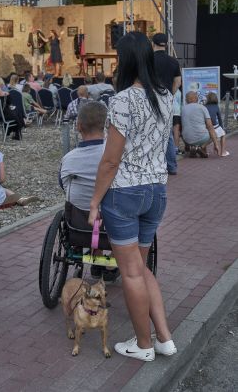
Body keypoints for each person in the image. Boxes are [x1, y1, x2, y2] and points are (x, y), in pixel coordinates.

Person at [88, 32, 176, 362]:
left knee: (132, 273)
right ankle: (163, 338)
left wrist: (95, 201)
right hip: (157, 191)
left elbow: (111, 160)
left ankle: (143, 345)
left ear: (125, 61)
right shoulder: (166, 96)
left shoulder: (122, 100)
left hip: (124, 193)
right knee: (142, 267)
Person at [60, 101, 118, 281]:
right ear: (107, 125)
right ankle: (111, 262)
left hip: (79, 225)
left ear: (78, 127)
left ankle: (96, 254)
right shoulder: (115, 155)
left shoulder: (68, 160)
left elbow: (64, 187)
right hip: (114, 227)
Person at [152, 33, 182, 175]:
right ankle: (172, 166)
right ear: (166, 44)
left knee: (149, 131)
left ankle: (153, 165)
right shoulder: (173, 61)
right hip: (166, 99)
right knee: (168, 133)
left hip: (150, 98)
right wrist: (170, 94)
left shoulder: (148, 61)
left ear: (153, 43)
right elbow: (178, 81)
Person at [181, 91, 220, 158]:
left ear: (188, 100)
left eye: (185, 99)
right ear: (195, 99)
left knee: (186, 129)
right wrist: (216, 144)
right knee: (215, 133)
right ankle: (201, 147)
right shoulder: (202, 108)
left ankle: (192, 148)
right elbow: (210, 126)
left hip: (186, 139)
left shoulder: (183, 109)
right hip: (201, 138)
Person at [205, 92, 229, 157]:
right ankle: (223, 152)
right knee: (223, 134)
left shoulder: (204, 106)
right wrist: (222, 127)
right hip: (214, 126)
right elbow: (219, 119)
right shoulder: (216, 106)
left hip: (206, 126)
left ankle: (205, 151)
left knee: (207, 138)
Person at [173, 89, 183, 154]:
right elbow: (180, 103)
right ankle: (176, 149)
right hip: (176, 112)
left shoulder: (165, 87)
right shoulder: (178, 91)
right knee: (176, 131)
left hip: (166, 110)